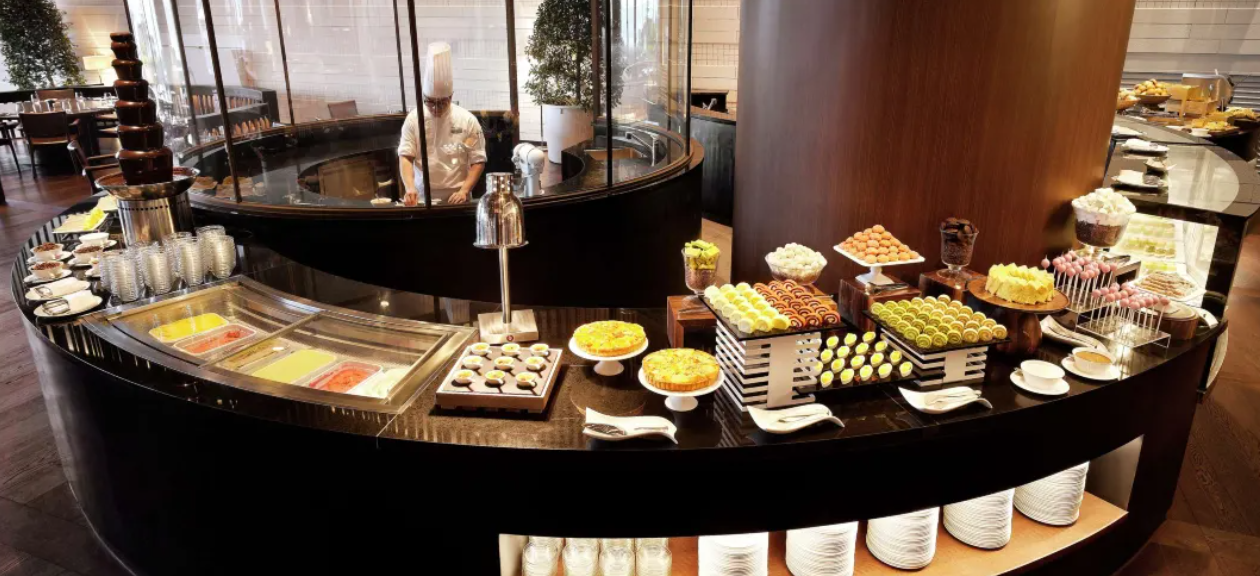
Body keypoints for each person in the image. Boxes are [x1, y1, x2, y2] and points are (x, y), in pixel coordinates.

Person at [397, 42, 487, 206]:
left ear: (451, 97)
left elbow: (478, 160)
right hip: (423, 196)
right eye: (430, 102)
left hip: (458, 196)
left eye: (441, 103)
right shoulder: (413, 119)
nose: (435, 108)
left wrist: (464, 190)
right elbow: (406, 156)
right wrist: (409, 187)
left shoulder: (468, 120)